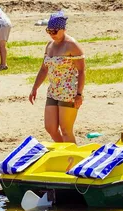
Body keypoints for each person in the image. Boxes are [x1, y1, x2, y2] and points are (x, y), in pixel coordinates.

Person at [28, 11, 85, 144]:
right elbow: (44, 69)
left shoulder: (72, 45)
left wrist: (79, 94)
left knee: (66, 130)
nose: (51, 34)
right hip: (53, 91)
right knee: (50, 128)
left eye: (54, 31)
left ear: (63, 29)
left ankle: (73, 159)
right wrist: (34, 88)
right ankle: (65, 154)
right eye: (49, 30)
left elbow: (82, 71)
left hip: (68, 92)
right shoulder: (49, 45)